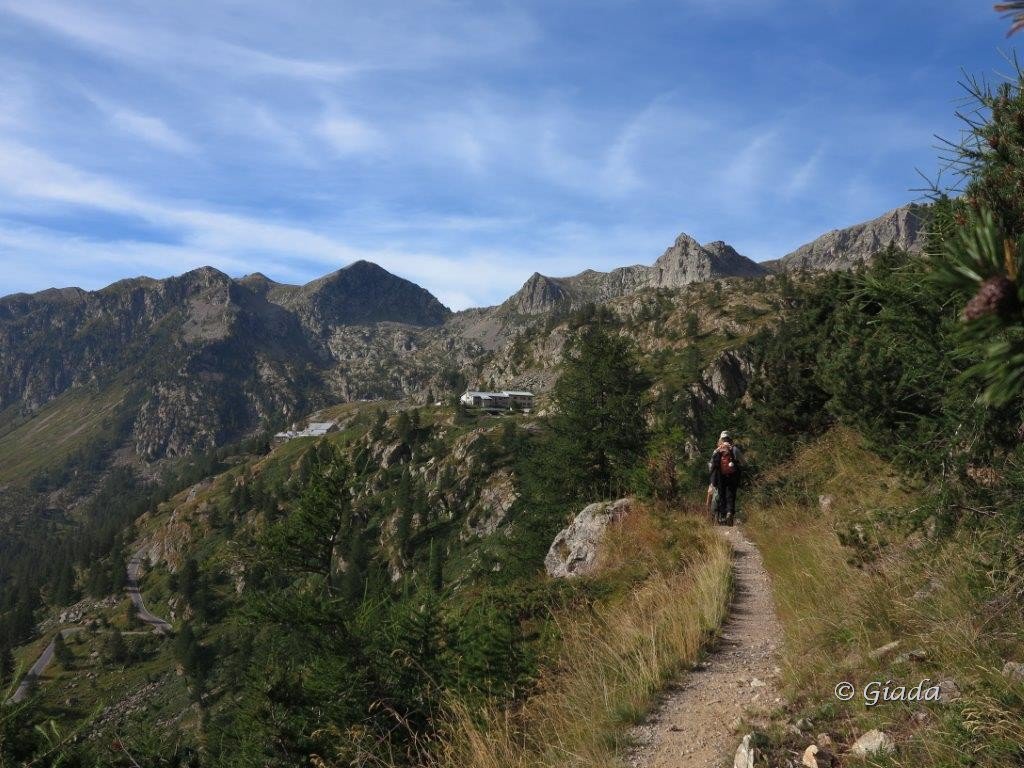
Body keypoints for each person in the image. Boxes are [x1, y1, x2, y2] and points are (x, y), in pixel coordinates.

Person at [708, 430, 743, 525]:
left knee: (722, 495)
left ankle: (722, 517)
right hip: (732, 476)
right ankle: (729, 513)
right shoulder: (734, 449)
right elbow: (743, 462)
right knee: (731, 495)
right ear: (730, 438)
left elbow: (711, 465)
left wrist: (712, 478)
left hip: (720, 476)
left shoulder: (717, 450)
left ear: (721, 439)